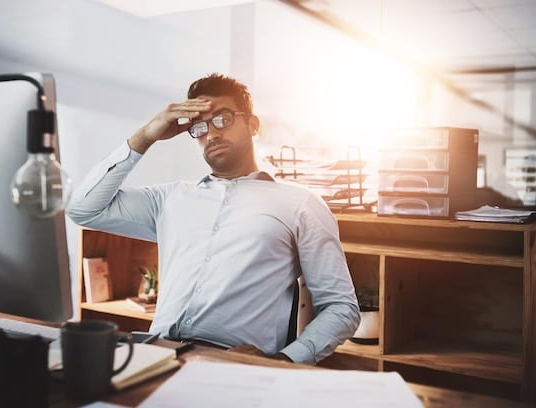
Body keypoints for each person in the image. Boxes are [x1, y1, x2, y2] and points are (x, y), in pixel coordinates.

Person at [66, 73, 360, 365]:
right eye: (200, 127)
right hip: (156, 357)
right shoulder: (169, 198)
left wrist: (284, 361)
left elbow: (342, 307)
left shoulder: (301, 204)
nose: (212, 133)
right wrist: (145, 136)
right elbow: (83, 208)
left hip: (232, 365)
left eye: (223, 118)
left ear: (253, 124)